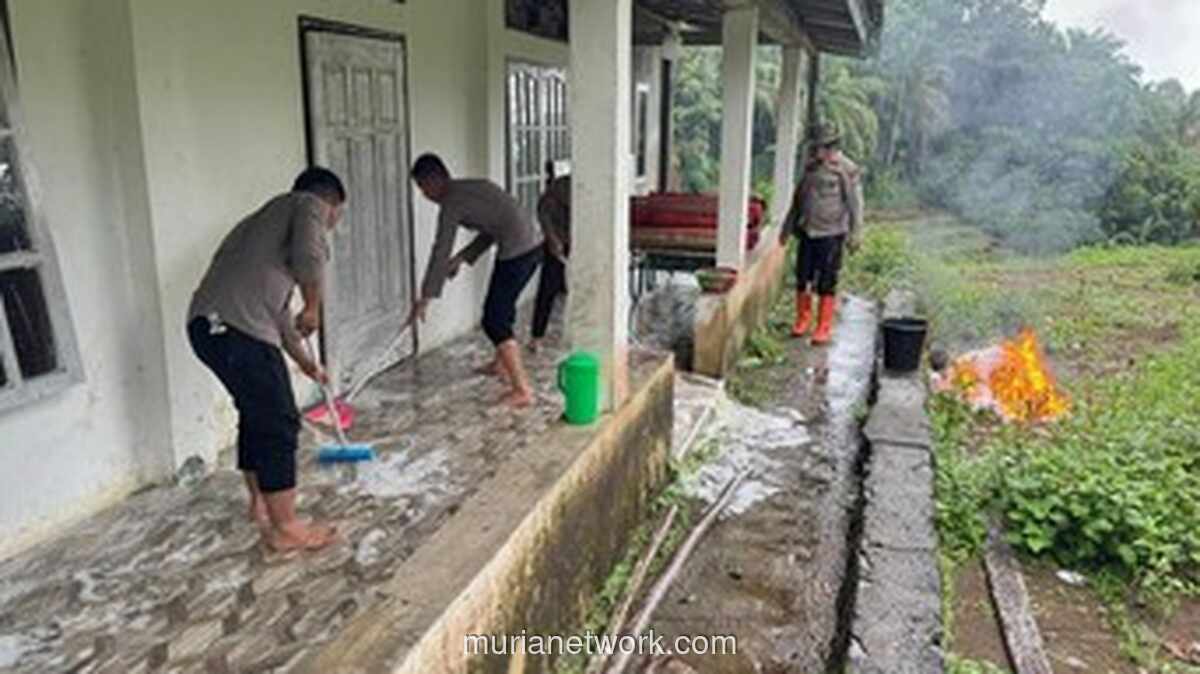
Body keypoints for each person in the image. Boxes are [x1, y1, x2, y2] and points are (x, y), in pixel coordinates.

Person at [187, 167, 345, 552]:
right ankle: (286, 527)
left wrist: (307, 363)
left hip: (207, 328)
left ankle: (260, 504)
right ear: (331, 203)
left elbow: (276, 313)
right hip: (239, 331)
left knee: (256, 413)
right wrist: (313, 305)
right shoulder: (308, 204)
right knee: (278, 420)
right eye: (337, 214)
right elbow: (311, 256)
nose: (333, 223)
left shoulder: (256, 229)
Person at [408, 153, 544, 407]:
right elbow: (493, 228)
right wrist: (462, 258)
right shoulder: (471, 187)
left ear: (434, 181)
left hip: (518, 251)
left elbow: (440, 248)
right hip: (531, 246)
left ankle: (522, 389)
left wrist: (425, 297)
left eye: (422, 187)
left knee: (494, 318)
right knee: (503, 307)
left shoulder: (452, 203)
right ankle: (500, 364)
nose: (424, 194)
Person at [780, 122, 865, 345]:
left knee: (827, 281)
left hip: (832, 233)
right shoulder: (810, 167)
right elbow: (798, 199)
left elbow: (855, 204)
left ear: (832, 147)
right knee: (802, 277)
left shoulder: (847, 169)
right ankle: (802, 319)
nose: (818, 152)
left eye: (822, 147)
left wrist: (856, 233)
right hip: (807, 231)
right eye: (816, 147)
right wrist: (786, 228)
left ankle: (823, 326)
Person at [530, 163, 571, 352]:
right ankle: (536, 337)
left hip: (583, 242)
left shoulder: (599, 189)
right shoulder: (560, 187)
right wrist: (552, 238)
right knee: (548, 288)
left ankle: (582, 333)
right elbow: (543, 213)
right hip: (558, 242)